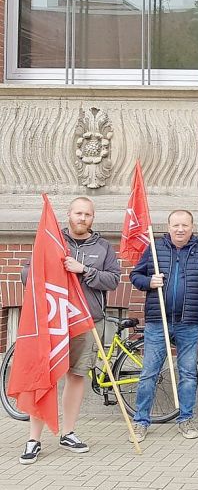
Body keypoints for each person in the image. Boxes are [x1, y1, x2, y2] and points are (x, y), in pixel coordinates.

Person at [18, 197, 122, 464]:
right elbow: (27, 275)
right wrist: (50, 269)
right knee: (46, 377)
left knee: (77, 375)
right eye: (78, 213)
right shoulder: (51, 241)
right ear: (69, 215)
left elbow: (113, 280)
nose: (82, 218)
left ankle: (68, 432)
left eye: (87, 214)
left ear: (92, 218)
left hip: (86, 321)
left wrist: (84, 270)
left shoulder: (102, 247)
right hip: (54, 323)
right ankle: (34, 439)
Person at [130, 209, 198, 442]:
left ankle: (185, 419)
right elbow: (135, 276)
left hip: (190, 323)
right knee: (149, 374)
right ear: (168, 227)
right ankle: (140, 421)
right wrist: (149, 281)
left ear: (192, 227)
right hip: (158, 322)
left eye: (185, 225)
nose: (180, 229)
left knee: (188, 374)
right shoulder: (156, 248)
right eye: (176, 225)